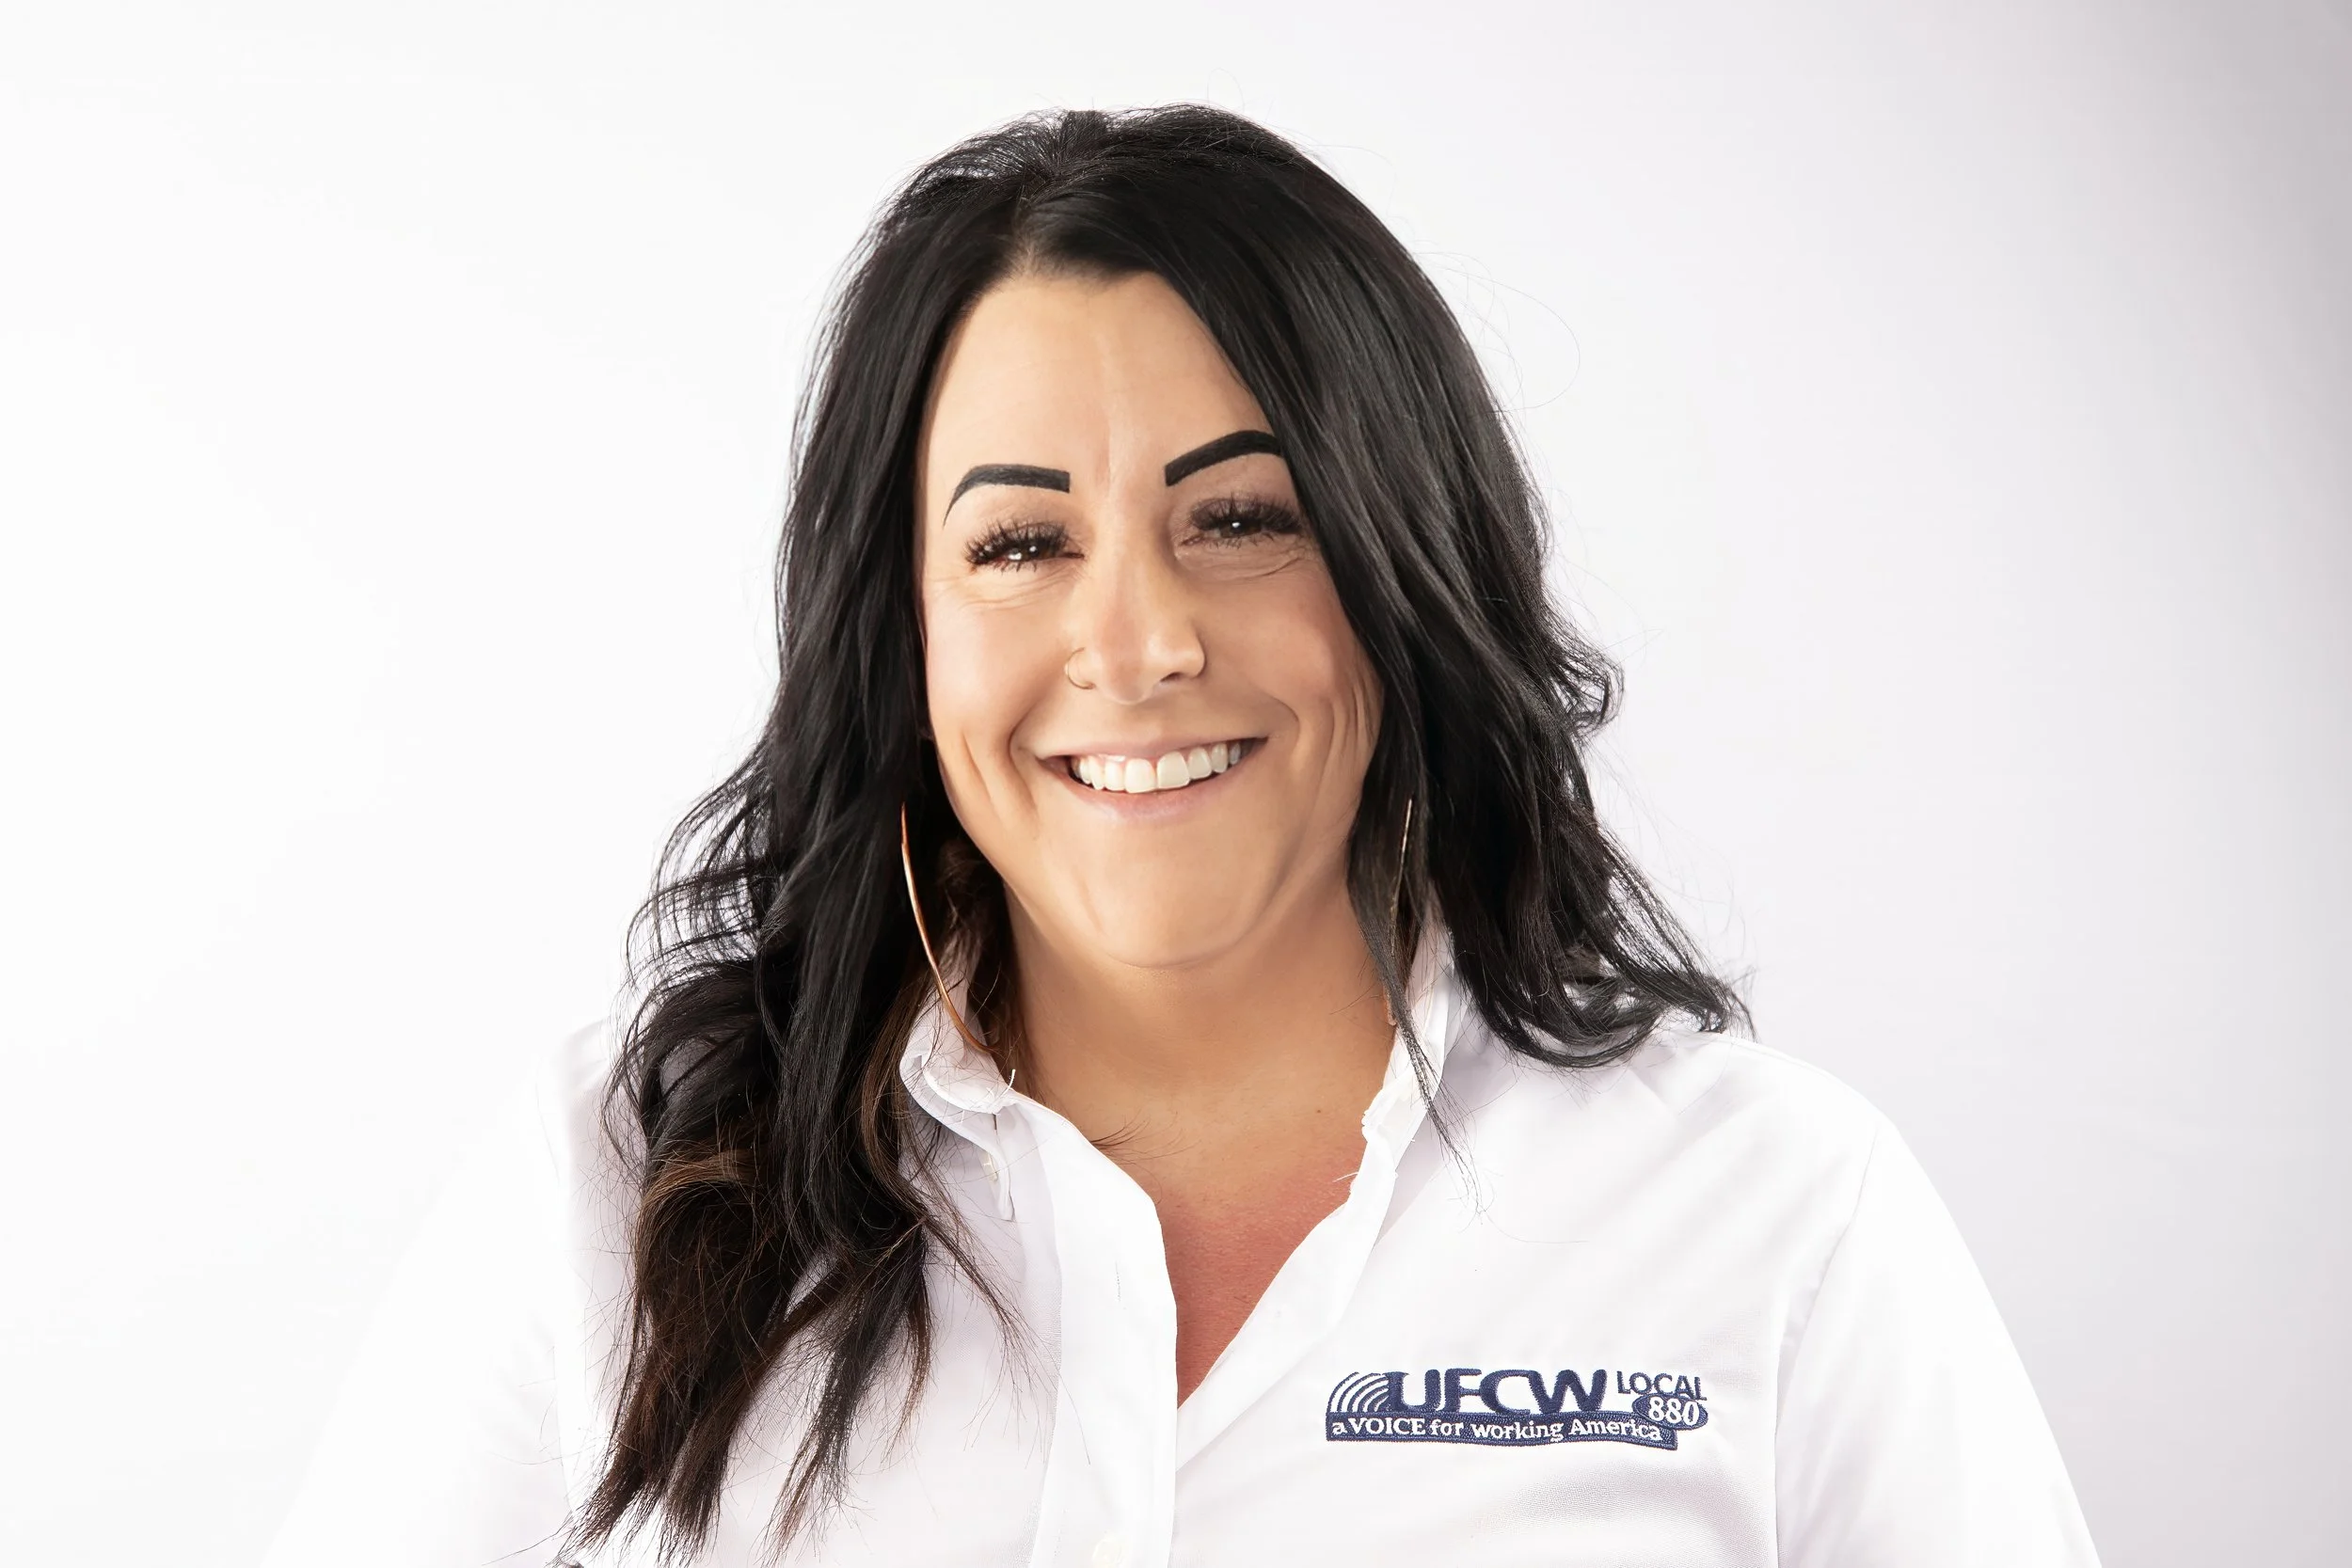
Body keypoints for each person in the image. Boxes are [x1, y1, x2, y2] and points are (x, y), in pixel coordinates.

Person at [266, 105, 2100, 1567]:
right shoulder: (626, 1186)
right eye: (1019, 540)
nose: (1136, 638)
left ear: (1404, 574)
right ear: (898, 633)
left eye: (1237, 518)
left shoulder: (1768, 1214)